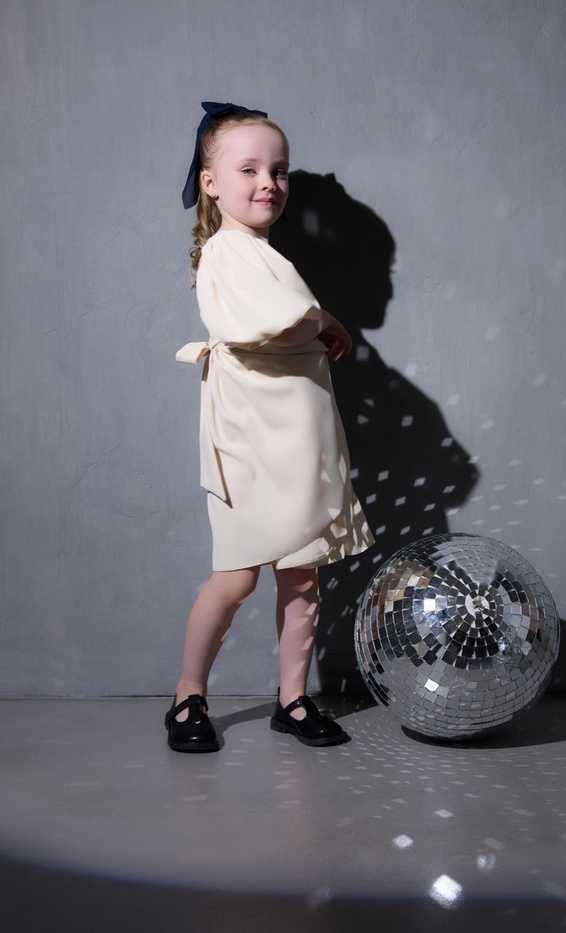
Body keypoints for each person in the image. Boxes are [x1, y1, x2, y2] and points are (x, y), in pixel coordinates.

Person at [165, 102, 373, 753]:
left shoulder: (265, 254)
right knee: (236, 576)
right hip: (249, 442)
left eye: (278, 171)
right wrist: (325, 319)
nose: (268, 183)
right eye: (249, 169)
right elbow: (270, 325)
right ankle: (188, 695)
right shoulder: (226, 252)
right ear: (211, 182)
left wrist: (319, 321)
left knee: (302, 575)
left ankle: (293, 697)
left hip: (295, 439)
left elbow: (288, 321)